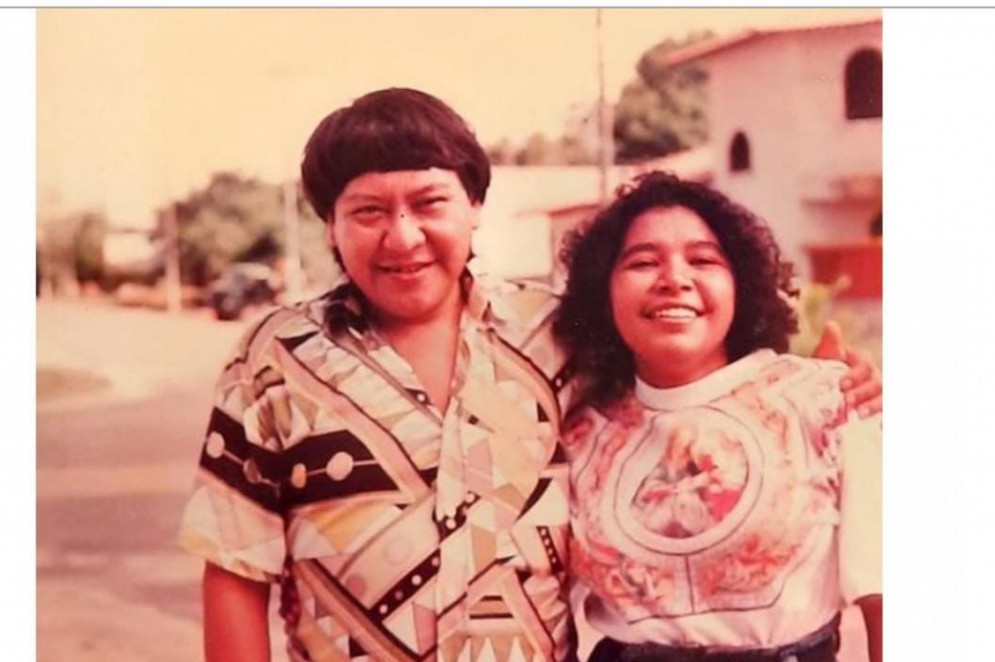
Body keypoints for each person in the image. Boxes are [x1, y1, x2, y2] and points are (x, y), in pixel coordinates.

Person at [177, 89, 881, 662]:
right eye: (367, 211)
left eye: (428, 204)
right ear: (330, 224)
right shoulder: (276, 358)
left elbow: (685, 370)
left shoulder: (555, 333)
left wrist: (824, 386)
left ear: (474, 208)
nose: (402, 237)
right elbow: (236, 568)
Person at [553, 171, 882, 662]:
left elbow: (886, 589)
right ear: (605, 292)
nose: (674, 280)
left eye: (703, 260)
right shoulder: (578, 432)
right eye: (643, 262)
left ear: (740, 284)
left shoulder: (824, 399)